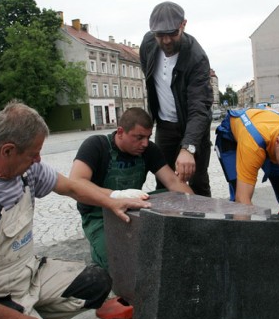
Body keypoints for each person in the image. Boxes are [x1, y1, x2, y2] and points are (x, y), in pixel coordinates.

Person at [0, 100, 151, 319]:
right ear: (7, 151)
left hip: (26, 274)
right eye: (33, 154)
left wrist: (113, 199)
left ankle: (35, 316)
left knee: (98, 282)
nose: (38, 160)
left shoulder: (26, 171)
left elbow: (71, 187)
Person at [69, 107, 193, 271]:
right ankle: (99, 248)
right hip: (99, 216)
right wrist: (117, 195)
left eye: (148, 137)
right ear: (120, 132)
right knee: (117, 263)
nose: (145, 143)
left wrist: (197, 209)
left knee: (170, 200)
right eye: (139, 137)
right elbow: (76, 182)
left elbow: (172, 181)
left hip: (132, 211)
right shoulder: (96, 146)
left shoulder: (149, 150)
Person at [140, 1, 213, 197]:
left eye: (172, 33)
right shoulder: (147, 45)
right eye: (160, 35)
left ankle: (204, 225)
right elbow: (149, 80)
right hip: (165, 126)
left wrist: (188, 147)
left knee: (197, 181)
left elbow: (200, 107)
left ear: (183, 25)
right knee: (164, 181)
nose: (165, 41)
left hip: (192, 126)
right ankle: (168, 224)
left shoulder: (197, 58)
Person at [215, 108, 279, 213]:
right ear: (278, 143)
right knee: (238, 194)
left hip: (266, 134)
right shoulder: (252, 145)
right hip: (231, 137)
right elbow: (242, 200)